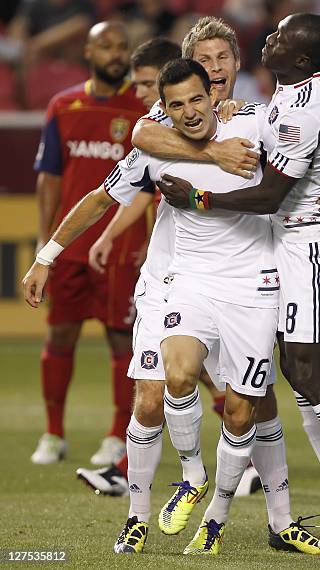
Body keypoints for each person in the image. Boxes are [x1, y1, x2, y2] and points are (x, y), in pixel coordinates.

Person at [23, 49, 320, 556]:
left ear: (214, 94)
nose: (191, 110)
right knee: (173, 378)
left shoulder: (256, 126)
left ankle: (224, 516)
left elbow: (314, 155)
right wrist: (48, 256)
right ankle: (185, 480)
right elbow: (99, 200)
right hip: (187, 281)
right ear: (164, 111)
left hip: (254, 286)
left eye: (199, 97)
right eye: (177, 105)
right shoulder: (156, 148)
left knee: (245, 410)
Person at [156, 13, 320, 548]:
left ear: (303, 60)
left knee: (306, 370)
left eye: (283, 37)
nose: (272, 37)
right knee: (293, 368)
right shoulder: (286, 94)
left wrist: (199, 198)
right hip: (288, 243)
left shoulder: (298, 109)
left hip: (309, 243)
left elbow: (269, 195)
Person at [73, 37, 239, 499]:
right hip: (170, 280)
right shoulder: (156, 133)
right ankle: (142, 479)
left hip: (231, 280)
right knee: (163, 382)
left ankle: (248, 472)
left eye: (148, 84)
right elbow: (142, 176)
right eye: (140, 85)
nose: (141, 94)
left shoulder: (242, 120)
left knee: (231, 387)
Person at [29, 21, 148, 467]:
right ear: (89, 51)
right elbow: (50, 177)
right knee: (61, 332)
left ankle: (118, 434)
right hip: (71, 245)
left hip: (120, 246)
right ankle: (53, 433)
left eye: (122, 46)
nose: (116, 54)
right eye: (106, 47)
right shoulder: (63, 106)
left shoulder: (141, 109)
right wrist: (46, 238)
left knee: (122, 339)